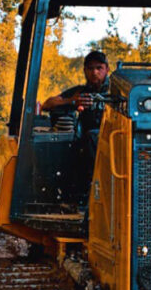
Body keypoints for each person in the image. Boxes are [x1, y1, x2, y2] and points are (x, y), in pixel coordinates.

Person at [41, 50, 110, 196]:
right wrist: (72, 101)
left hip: (114, 139)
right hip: (86, 144)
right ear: (85, 71)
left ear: (107, 70)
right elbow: (47, 104)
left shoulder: (117, 91)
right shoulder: (80, 91)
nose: (95, 72)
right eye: (90, 68)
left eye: (99, 68)